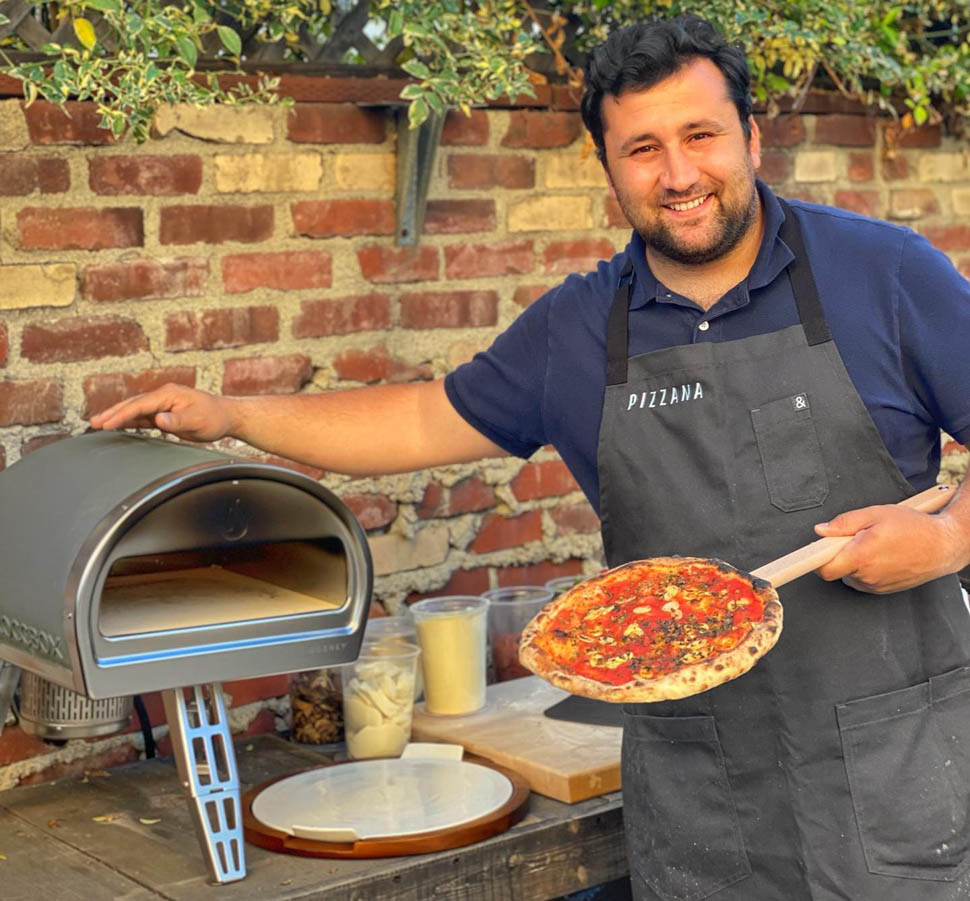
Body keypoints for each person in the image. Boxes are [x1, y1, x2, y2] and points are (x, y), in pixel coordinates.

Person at [92, 14, 970, 899]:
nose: (677, 174)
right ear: (608, 167)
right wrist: (232, 415)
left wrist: (945, 540)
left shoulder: (884, 274)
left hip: (894, 775)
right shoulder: (578, 327)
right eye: (642, 149)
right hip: (704, 797)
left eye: (700, 135)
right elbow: (418, 420)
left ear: (750, 135)